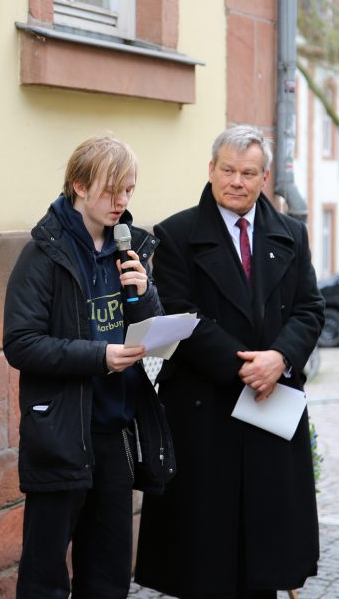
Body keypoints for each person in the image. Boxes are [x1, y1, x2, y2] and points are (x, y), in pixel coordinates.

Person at [135, 125, 324, 598]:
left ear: (265, 178)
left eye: (248, 172)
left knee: (266, 554)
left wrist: (279, 358)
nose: (237, 181)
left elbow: (309, 308)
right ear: (211, 170)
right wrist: (244, 366)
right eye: (228, 170)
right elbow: (180, 314)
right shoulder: (176, 234)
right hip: (207, 411)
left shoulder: (292, 234)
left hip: (270, 404)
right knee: (206, 560)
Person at [2, 135, 172, 598]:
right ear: (79, 184)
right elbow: (21, 344)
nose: (122, 202)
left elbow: (154, 338)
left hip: (115, 433)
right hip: (60, 432)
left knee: (109, 574)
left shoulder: (129, 248)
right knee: (45, 578)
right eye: (112, 189)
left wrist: (147, 295)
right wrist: (99, 357)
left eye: (130, 190)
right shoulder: (44, 254)